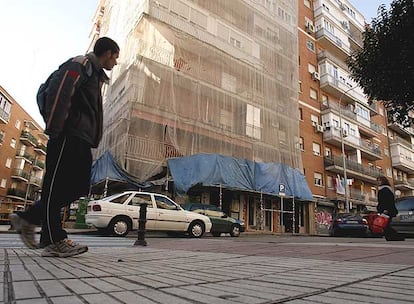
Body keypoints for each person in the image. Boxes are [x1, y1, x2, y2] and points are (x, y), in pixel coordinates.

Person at [9, 37, 120, 257]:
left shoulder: (95, 76)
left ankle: (29, 218)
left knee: (78, 187)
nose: (116, 63)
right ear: (107, 53)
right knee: (55, 187)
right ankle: (53, 240)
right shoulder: (82, 64)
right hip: (67, 134)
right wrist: (56, 128)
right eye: (115, 57)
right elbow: (61, 91)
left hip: (82, 139)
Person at [376, 175, 404, 241]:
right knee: (386, 225)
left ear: (383, 181)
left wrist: (386, 209)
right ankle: (393, 237)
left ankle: (395, 237)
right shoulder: (385, 189)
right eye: (377, 181)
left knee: (385, 225)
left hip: (387, 210)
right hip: (387, 209)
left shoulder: (385, 189)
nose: (378, 182)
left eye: (380, 180)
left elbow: (387, 200)